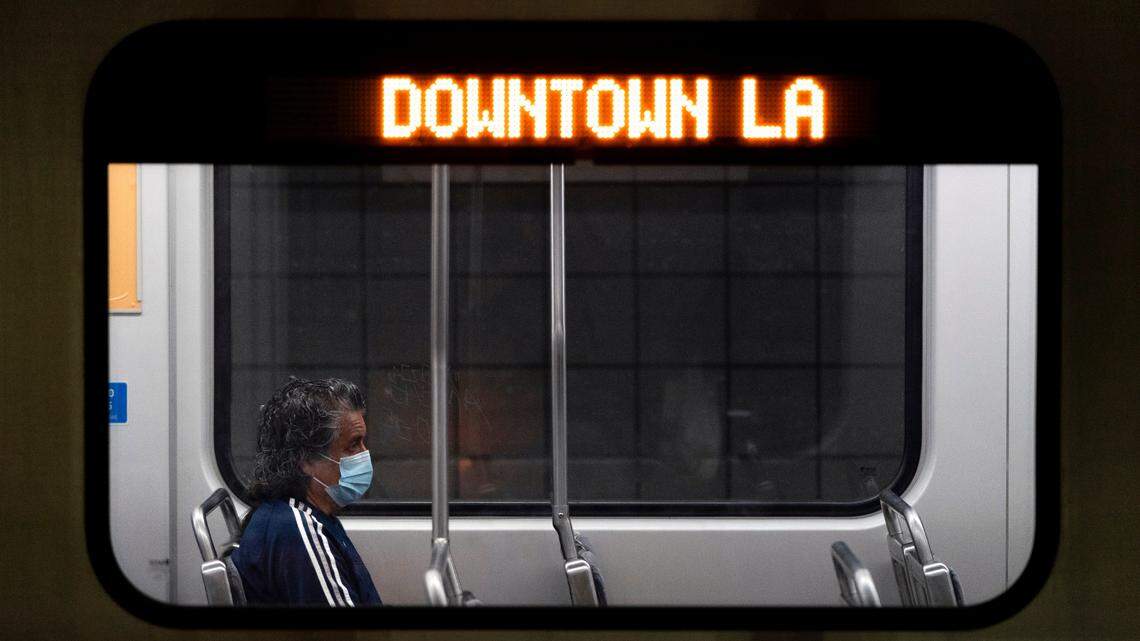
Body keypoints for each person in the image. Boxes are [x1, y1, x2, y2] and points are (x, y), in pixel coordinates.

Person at [231, 378, 383, 606]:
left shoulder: (307, 515)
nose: (365, 454)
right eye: (353, 445)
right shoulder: (296, 532)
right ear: (306, 460)